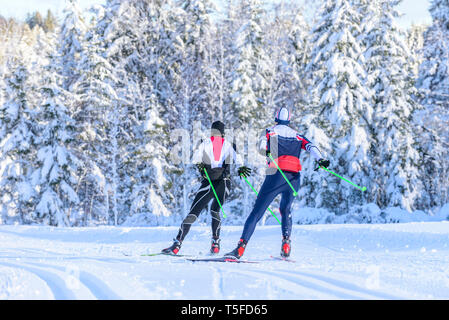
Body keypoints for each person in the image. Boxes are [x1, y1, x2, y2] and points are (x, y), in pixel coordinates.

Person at [225, 107, 329, 259]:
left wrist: (266, 151)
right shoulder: (297, 136)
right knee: (285, 209)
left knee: (257, 212)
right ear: (289, 120)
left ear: (276, 118)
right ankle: (286, 244)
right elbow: (311, 147)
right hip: (294, 178)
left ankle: (240, 248)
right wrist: (321, 160)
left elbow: (261, 146)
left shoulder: (270, 131)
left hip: (275, 175)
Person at [162, 121, 251, 255]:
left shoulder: (205, 143)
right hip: (225, 183)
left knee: (193, 213)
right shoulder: (229, 144)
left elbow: (196, 159)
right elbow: (238, 160)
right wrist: (241, 169)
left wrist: (200, 165)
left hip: (209, 182)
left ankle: (177, 244)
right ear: (223, 132)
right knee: (215, 211)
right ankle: (215, 244)